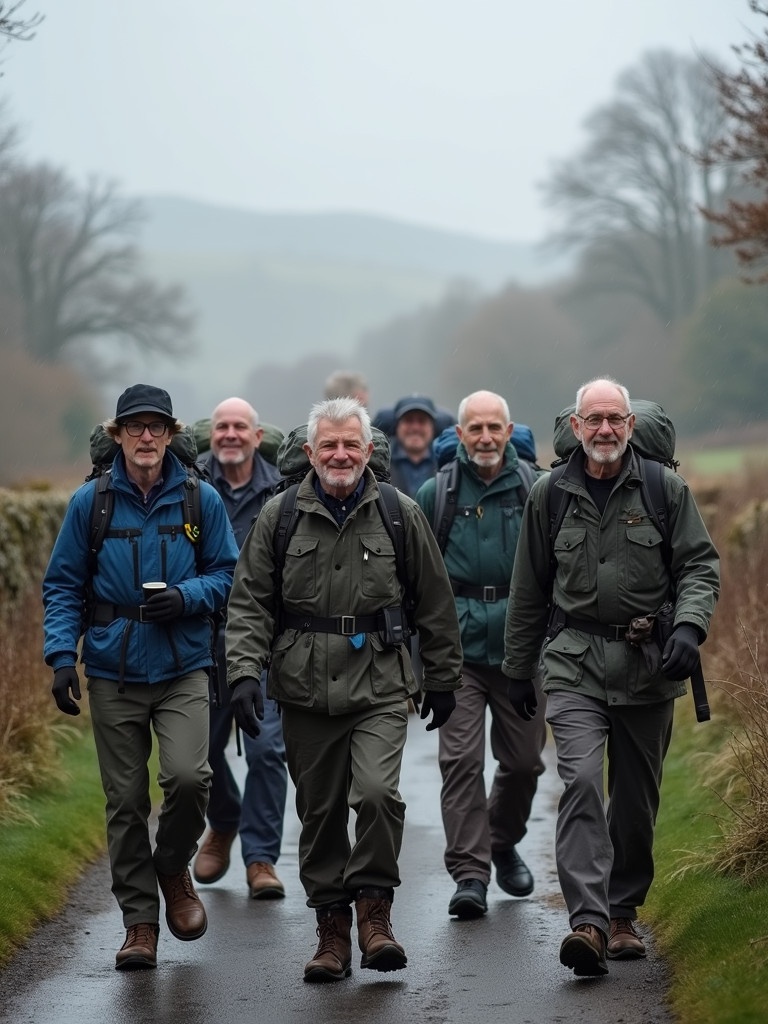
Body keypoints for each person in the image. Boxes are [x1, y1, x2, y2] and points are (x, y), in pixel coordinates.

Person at [224, 397, 463, 983]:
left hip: (380, 683)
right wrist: (243, 674)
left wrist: (444, 677)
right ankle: (331, 933)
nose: (339, 455)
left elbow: (434, 601)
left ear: (367, 451)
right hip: (303, 688)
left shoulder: (399, 513)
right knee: (320, 814)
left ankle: (375, 916)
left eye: (350, 445)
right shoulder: (278, 518)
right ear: (310, 452)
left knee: (379, 794)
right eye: (328, 445)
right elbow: (250, 603)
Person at [503, 377, 720, 977]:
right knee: (578, 784)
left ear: (629, 425)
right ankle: (589, 924)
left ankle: (624, 912)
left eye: (614, 419)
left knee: (634, 802)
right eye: (593, 419)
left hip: (649, 666)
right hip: (573, 664)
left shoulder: (663, 489)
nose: (604, 430)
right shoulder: (548, 495)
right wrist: (518, 670)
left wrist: (689, 629)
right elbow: (528, 589)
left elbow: (700, 565)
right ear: (576, 427)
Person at [42, 384, 239, 971]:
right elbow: (62, 585)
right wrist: (59, 657)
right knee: (125, 801)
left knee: (187, 777)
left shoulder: (199, 500)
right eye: (135, 427)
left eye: (157, 427)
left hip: (183, 663)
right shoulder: (91, 503)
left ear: (172, 434)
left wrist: (186, 597)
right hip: (112, 668)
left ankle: (173, 866)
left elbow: (228, 574)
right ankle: (139, 924)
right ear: (119, 435)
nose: (146, 437)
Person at [415, 390, 546, 919]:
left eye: (496, 428)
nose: (487, 438)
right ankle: (469, 873)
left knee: (523, 764)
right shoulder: (435, 494)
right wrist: (424, 658)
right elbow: (416, 580)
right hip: (458, 653)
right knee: (460, 762)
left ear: (510, 430)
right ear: (461, 434)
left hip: (523, 649)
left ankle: (501, 839)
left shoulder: (537, 489)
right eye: (477, 429)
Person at [192, 397, 288, 900]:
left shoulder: (281, 489)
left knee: (268, 749)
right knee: (198, 750)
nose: (230, 434)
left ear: (256, 435)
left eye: (240, 427)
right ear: (212, 434)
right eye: (222, 426)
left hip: (265, 641)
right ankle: (224, 816)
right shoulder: (188, 487)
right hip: (196, 640)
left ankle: (260, 859)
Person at [387, 394, 439, 498]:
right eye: (409, 420)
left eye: (422, 421)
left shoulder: (446, 463)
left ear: (433, 428)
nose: (415, 428)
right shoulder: (380, 463)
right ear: (397, 426)